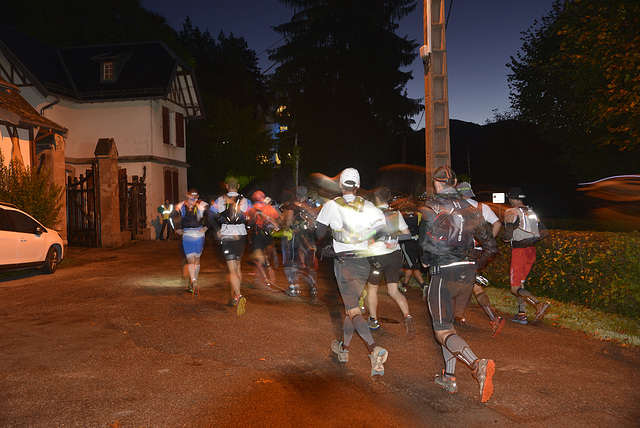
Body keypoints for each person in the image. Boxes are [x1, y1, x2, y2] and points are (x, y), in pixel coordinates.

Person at [418, 166, 498, 402]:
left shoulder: (432, 206)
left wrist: (424, 263)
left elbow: (423, 244)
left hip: (443, 274)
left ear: (437, 184)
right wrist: (476, 265)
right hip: (467, 274)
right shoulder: (470, 208)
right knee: (449, 326)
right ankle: (449, 377)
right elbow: (491, 246)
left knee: (441, 329)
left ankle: (477, 364)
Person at [316, 167, 389, 378]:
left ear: (340, 184)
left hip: (344, 263)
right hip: (363, 263)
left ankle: (374, 349)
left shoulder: (331, 205)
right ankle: (344, 350)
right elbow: (383, 230)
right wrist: (364, 236)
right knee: (352, 306)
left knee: (353, 310)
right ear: (357, 186)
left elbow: (319, 233)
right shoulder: (368, 206)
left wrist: (334, 234)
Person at [364, 187, 417, 339]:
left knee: (372, 289)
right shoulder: (395, 213)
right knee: (393, 291)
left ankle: (373, 320)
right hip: (394, 255)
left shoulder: (372, 214)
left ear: (376, 197)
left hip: (377, 256)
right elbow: (407, 235)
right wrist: (392, 238)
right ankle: (407, 316)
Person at [455, 182, 506, 337]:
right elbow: (497, 223)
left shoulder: (457, 208)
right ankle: (458, 315)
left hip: (463, 252)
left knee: (469, 284)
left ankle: (493, 317)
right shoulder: (482, 207)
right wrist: (487, 240)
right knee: (469, 283)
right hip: (480, 252)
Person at [502, 187, 550, 325]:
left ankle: (538, 304)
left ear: (511, 198)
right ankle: (521, 314)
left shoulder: (511, 212)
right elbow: (544, 232)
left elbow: (507, 236)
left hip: (519, 253)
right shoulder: (531, 211)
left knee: (514, 288)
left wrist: (504, 239)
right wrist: (530, 240)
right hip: (531, 252)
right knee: (521, 284)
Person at [209, 177, 253, 315]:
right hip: (241, 235)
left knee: (232, 269)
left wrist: (217, 229)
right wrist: (248, 227)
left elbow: (210, 217)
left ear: (227, 186)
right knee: (238, 266)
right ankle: (233, 296)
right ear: (238, 186)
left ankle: (238, 295)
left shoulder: (220, 200)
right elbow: (254, 216)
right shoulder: (246, 200)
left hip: (227, 234)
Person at [280, 185, 320, 301]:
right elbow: (315, 218)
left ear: (295, 195)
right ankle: (313, 287)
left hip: (296, 237)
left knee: (293, 262)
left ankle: (293, 288)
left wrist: (284, 226)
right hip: (310, 237)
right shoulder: (311, 207)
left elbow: (287, 224)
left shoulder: (291, 207)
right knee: (310, 264)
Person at [172, 189, 208, 298]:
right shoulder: (203, 204)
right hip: (200, 234)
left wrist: (176, 228)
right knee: (197, 259)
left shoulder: (181, 204)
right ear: (197, 195)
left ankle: (193, 281)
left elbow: (171, 215)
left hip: (187, 234)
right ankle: (193, 283)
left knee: (190, 260)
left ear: (187, 194)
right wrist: (207, 227)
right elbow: (211, 216)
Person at [246, 190, 281, 291]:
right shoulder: (269, 208)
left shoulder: (253, 208)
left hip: (257, 234)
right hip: (269, 235)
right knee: (265, 255)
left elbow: (249, 220)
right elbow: (278, 219)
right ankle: (259, 277)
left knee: (257, 259)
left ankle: (265, 277)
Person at [393, 197, 427, 294]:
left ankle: (423, 285)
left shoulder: (401, 215)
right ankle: (404, 285)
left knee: (412, 265)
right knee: (409, 264)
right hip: (417, 242)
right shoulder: (419, 214)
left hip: (407, 242)